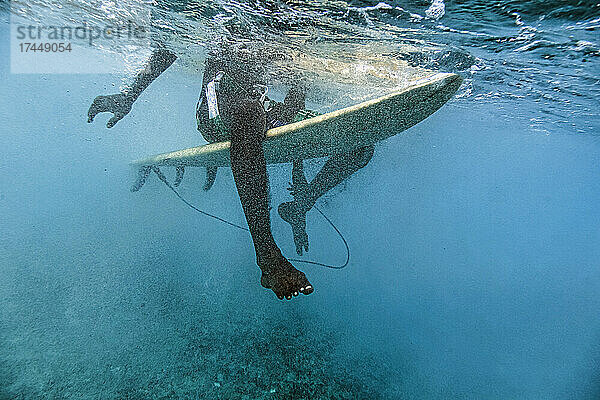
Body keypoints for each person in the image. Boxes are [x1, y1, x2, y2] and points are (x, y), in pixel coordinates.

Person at [87, 47, 373, 300]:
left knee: (361, 142)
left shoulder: (293, 19)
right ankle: (267, 255)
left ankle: (301, 205)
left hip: (262, 108)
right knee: (249, 113)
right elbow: (168, 48)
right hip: (218, 105)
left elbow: (299, 80)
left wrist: (289, 116)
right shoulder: (226, 15)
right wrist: (129, 96)